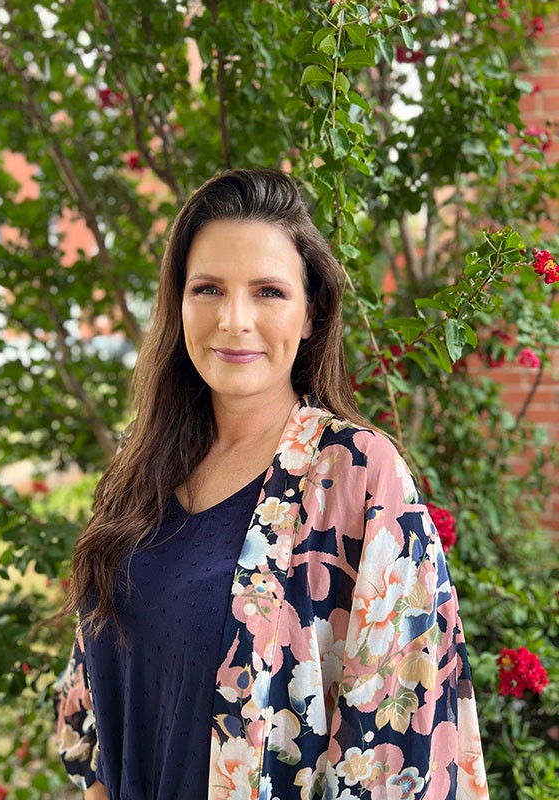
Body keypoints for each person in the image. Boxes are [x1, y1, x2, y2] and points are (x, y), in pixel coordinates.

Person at [53, 167, 489, 800]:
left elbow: (404, 739)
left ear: (311, 313)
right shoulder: (139, 465)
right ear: (178, 303)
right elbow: (92, 709)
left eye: (267, 292)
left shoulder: (355, 476)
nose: (233, 320)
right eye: (207, 288)